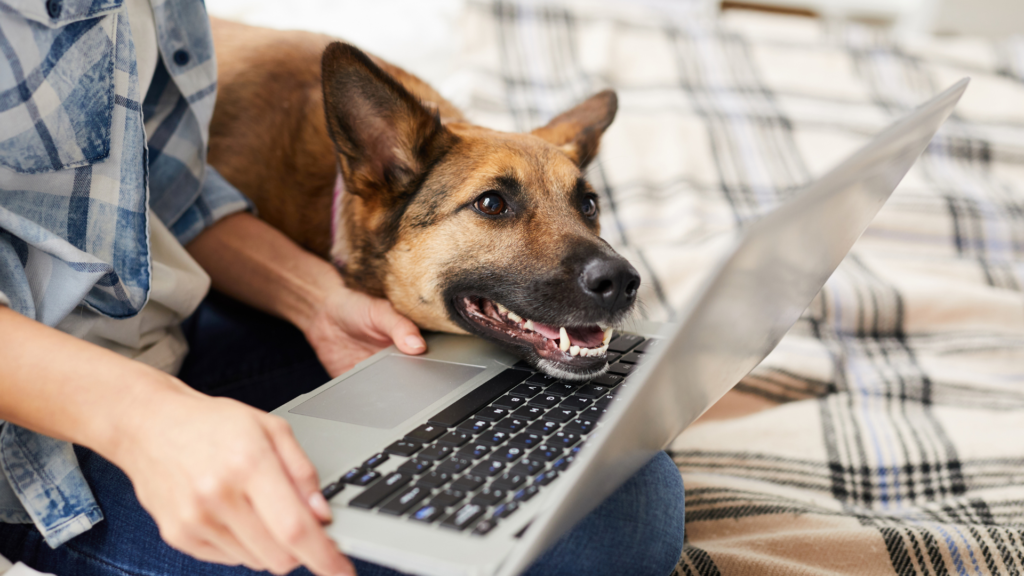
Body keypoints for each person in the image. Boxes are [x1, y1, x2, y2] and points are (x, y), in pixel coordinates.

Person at [0, 1, 686, 575]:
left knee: (625, 495)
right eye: (494, 207)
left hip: (160, 325)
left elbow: (162, 191)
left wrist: (316, 302)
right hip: (35, 443)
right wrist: (145, 420)